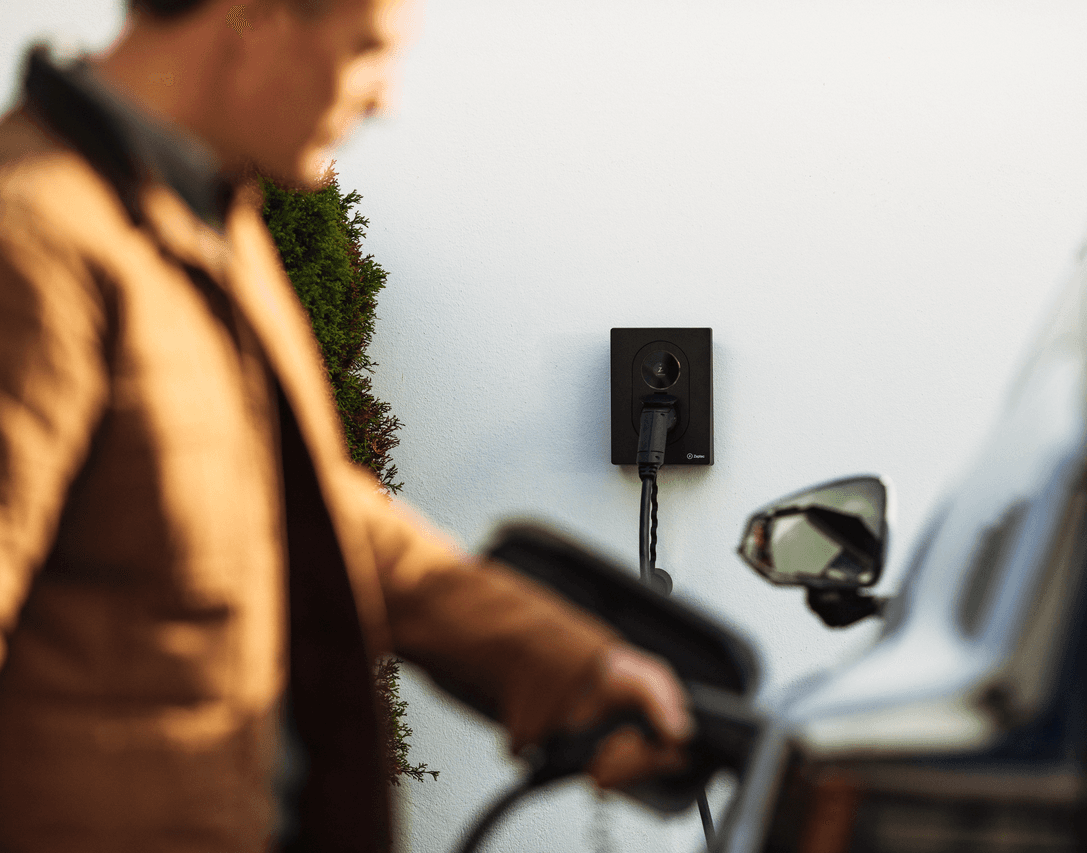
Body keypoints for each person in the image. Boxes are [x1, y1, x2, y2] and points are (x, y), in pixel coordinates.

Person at [0, 0, 691, 849]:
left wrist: (569, 667)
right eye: (367, 51)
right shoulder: (33, 240)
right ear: (253, 19)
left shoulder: (204, 217)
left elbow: (311, 511)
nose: (385, 99)